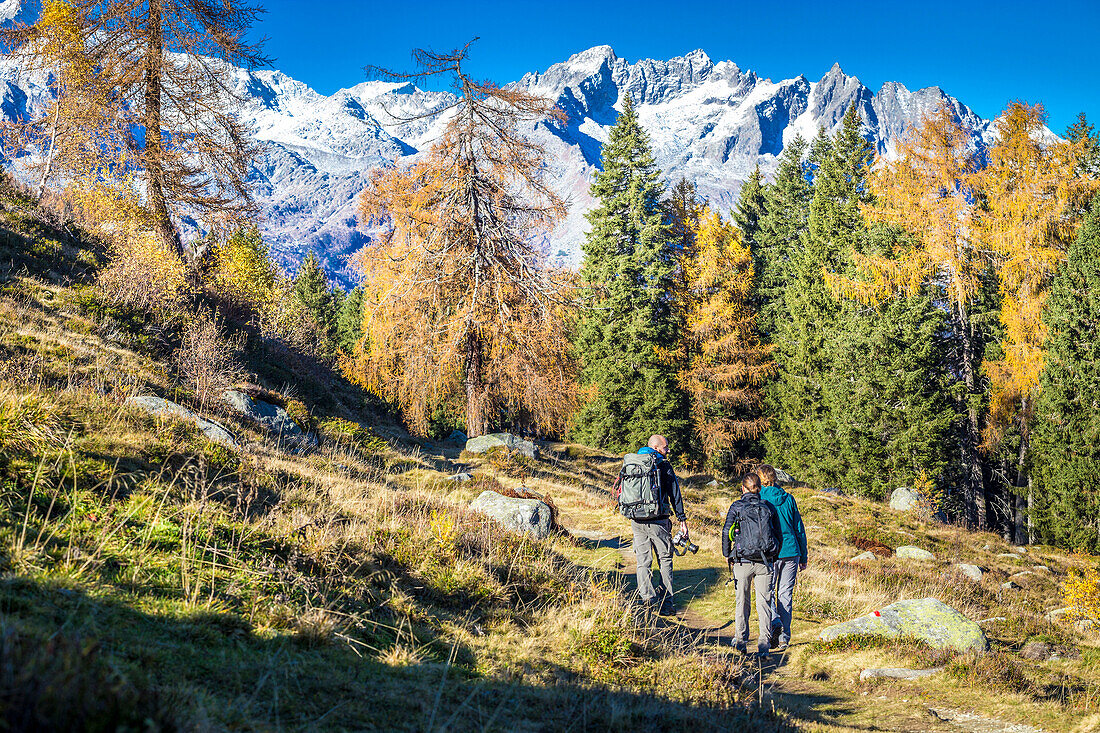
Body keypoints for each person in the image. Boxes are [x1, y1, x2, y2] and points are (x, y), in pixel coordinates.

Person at [628, 434, 688, 614]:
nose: (668, 450)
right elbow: (675, 493)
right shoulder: (663, 464)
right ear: (656, 448)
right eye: (665, 447)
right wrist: (682, 519)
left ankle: (647, 599)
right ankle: (666, 604)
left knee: (643, 562)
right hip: (659, 520)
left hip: (637, 520)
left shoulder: (634, 462)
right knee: (665, 559)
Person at [723, 472, 782, 656]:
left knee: (742, 601)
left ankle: (741, 641)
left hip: (742, 561)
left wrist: (727, 554)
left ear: (743, 488)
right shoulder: (769, 506)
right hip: (765, 561)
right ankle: (764, 645)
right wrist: (773, 555)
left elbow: (726, 531)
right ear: (760, 488)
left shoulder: (737, 506)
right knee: (764, 603)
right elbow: (778, 535)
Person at [758, 464, 808, 653]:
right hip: (791, 551)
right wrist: (803, 555)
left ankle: (774, 623)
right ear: (776, 478)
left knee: (767, 592)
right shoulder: (789, 498)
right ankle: (784, 637)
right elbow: (799, 528)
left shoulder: (760, 499)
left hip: (770, 553)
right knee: (785, 594)